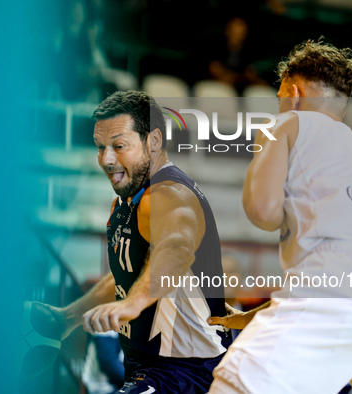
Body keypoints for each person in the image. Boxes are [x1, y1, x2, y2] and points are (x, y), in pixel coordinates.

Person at [207, 38, 352, 393]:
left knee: (234, 385)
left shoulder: (286, 123)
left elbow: (263, 212)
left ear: (293, 94)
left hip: (343, 293)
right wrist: (261, 313)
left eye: (280, 97)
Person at [31, 90, 232, 393]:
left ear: (153, 141)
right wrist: (67, 318)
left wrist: (133, 304)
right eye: (100, 147)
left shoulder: (168, 195)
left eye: (119, 146)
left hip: (188, 372)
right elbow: (128, 277)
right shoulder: (124, 203)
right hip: (146, 367)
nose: (107, 159)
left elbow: (174, 252)